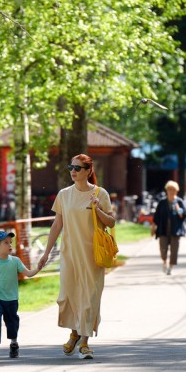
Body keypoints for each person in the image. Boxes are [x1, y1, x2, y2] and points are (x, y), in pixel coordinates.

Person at [37, 154, 115, 360]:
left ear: (88, 171)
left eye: (78, 168)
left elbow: (111, 222)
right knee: (68, 297)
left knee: (89, 298)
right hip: (69, 255)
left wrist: (97, 208)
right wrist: (46, 253)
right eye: (71, 167)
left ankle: (84, 343)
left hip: (92, 256)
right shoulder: (64, 195)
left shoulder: (100, 193)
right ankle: (74, 333)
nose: (73, 171)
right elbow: (57, 225)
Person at [0, 230, 40, 360]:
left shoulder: (15, 261)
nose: (10, 245)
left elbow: (28, 273)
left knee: (12, 322)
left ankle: (14, 343)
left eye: (11, 242)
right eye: (6, 243)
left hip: (12, 299)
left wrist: (38, 268)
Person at [152, 181, 186, 275]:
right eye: (169, 189)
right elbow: (156, 216)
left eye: (173, 190)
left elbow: (184, 216)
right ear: (167, 190)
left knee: (174, 250)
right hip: (163, 229)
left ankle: (170, 267)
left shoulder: (179, 201)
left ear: (177, 191)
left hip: (176, 230)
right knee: (163, 249)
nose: (171, 191)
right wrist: (153, 228)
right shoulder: (162, 202)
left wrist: (178, 209)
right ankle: (164, 262)